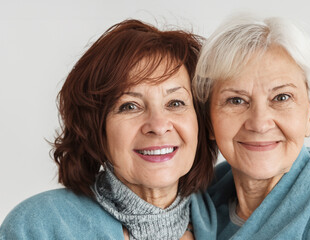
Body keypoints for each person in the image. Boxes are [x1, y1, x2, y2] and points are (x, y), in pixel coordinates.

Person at [0, 19, 216, 239]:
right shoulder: (37, 228)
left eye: (175, 103)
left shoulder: (223, 216)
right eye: (130, 106)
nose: (158, 126)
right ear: (96, 129)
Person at [192, 14, 310, 239]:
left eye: (281, 98)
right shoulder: (193, 205)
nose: (259, 124)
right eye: (236, 100)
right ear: (208, 119)